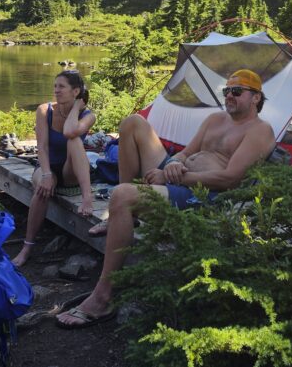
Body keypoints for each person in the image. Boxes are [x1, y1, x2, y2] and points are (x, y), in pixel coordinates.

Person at [55, 69, 275, 329]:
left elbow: (230, 179)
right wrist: (171, 166)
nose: (229, 96)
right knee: (132, 123)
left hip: (201, 195)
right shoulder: (216, 120)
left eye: (237, 92)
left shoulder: (260, 131)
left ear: (256, 98)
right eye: (226, 91)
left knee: (122, 195)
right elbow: (186, 153)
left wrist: (177, 178)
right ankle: (122, 216)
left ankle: (103, 297)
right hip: (180, 177)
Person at [11, 70, 97, 267]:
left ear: (75, 91)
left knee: (74, 140)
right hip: (47, 165)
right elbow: (42, 147)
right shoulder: (44, 110)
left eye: (61, 87)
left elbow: (70, 131)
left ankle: (87, 197)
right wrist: (47, 174)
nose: (56, 90)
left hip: (70, 170)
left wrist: (76, 108)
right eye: (55, 86)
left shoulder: (88, 116)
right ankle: (27, 247)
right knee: (42, 188)